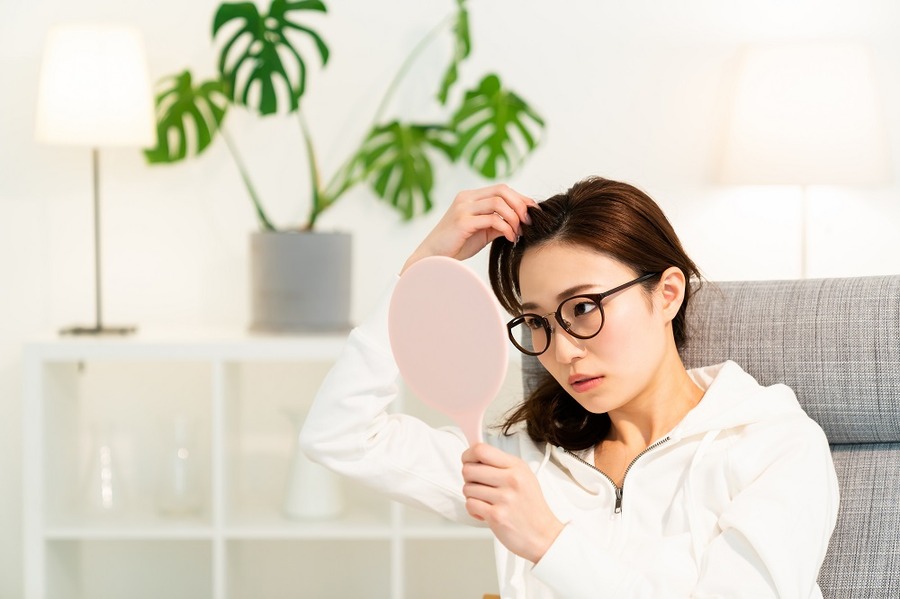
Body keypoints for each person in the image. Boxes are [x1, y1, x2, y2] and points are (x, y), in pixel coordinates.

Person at [299, 176, 839, 598]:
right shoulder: (526, 462)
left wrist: (547, 540)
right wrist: (424, 268)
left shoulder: (774, 446)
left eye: (583, 308)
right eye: (537, 323)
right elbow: (339, 435)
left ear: (667, 293)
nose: (562, 350)